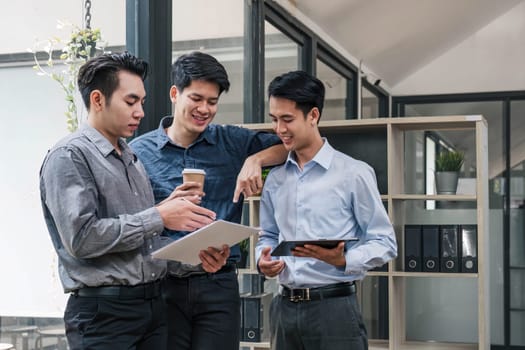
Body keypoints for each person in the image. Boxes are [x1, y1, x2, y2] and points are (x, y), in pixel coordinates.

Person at [39, 52, 216, 350]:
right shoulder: (69, 156)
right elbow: (82, 239)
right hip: (104, 317)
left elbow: (144, 247)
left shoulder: (131, 158)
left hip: (152, 309)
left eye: (142, 103)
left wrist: (197, 259)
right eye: (130, 102)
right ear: (98, 100)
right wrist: (159, 216)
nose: (140, 112)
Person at [129, 51, 287, 350]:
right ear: (175, 94)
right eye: (196, 99)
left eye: (212, 102)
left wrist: (255, 159)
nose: (204, 109)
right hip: (162, 286)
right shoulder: (139, 151)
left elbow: (287, 146)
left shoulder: (232, 141)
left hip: (218, 285)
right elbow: (132, 218)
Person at [255, 70, 398, 350]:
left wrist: (342, 259)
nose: (279, 129)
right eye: (274, 119)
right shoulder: (275, 179)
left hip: (335, 311)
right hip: (284, 310)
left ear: (313, 116)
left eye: (287, 119)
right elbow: (268, 236)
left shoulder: (353, 173)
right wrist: (264, 261)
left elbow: (385, 242)